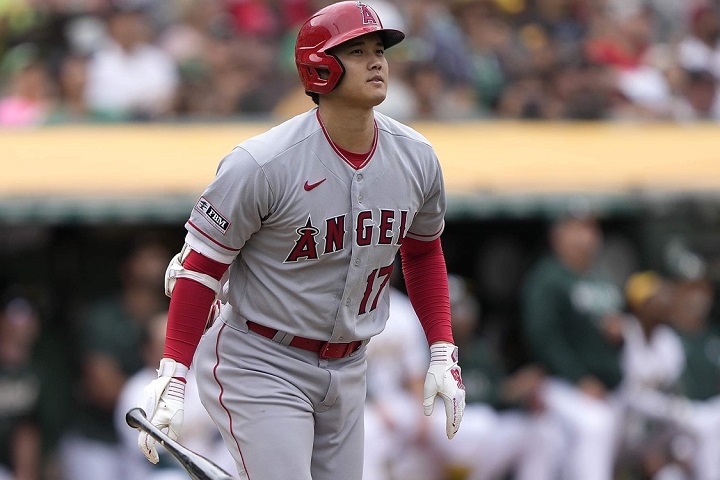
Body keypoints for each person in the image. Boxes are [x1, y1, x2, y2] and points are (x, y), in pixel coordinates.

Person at [134, 3, 465, 480]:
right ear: (320, 66)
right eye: (357, 51)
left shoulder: (417, 157)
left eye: (379, 50)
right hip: (261, 359)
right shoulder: (262, 162)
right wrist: (173, 373)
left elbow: (423, 250)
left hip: (351, 365)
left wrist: (441, 347)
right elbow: (200, 266)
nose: (377, 61)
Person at [520, 212, 625, 480]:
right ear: (557, 236)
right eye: (577, 229)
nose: (586, 237)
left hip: (609, 387)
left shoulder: (602, 278)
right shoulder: (548, 278)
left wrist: (619, 334)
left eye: (591, 229)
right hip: (563, 384)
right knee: (595, 425)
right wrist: (579, 379)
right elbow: (544, 336)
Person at [60, 238, 171, 480]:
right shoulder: (105, 316)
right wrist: (166, 403)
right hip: (99, 441)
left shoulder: (171, 314)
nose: (157, 265)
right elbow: (104, 388)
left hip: (152, 444)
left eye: (160, 257)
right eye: (149, 257)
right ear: (128, 266)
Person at [0, 293, 42, 480]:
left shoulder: (43, 370)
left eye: (26, 317)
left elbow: (30, 429)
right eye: (14, 317)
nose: (21, 326)